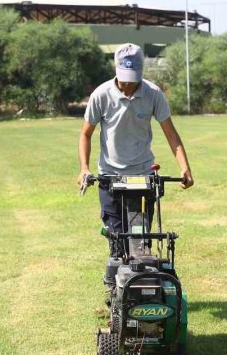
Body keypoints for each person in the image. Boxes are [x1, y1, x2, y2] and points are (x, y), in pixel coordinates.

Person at [77, 43, 194, 270]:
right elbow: (85, 134)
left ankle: (141, 285)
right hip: (110, 177)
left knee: (140, 242)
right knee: (117, 242)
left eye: (133, 79)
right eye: (124, 79)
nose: (129, 86)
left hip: (142, 178)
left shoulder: (153, 94)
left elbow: (171, 134)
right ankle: (117, 286)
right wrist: (84, 168)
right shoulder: (101, 95)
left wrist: (185, 167)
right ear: (116, 70)